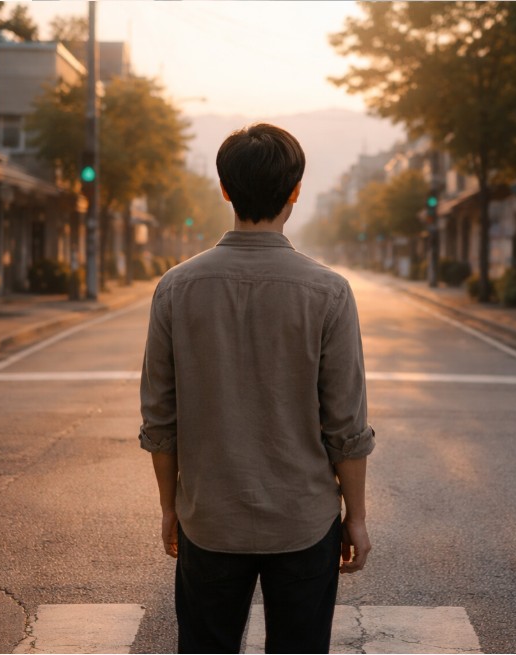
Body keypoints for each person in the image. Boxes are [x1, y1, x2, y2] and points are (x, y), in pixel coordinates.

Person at [139, 123, 375, 654]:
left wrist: (169, 506)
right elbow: (346, 425)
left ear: (224, 189)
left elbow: (160, 419)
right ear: (295, 191)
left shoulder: (176, 288)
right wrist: (355, 518)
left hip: (210, 519)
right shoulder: (328, 292)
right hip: (305, 522)